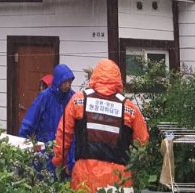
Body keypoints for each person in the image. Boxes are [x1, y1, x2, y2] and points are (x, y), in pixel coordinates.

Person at [52, 59, 149, 192]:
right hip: (118, 180)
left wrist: (59, 163)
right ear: (117, 79)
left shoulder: (79, 100)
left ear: (95, 76)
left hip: (85, 178)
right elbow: (142, 142)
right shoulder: (128, 107)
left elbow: (63, 136)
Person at [19, 64, 75, 176]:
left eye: (69, 82)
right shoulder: (45, 97)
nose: (67, 85)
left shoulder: (73, 98)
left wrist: (72, 160)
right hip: (45, 150)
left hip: (66, 153)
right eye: (64, 82)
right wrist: (21, 149)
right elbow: (29, 123)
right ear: (58, 81)